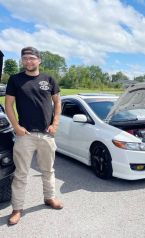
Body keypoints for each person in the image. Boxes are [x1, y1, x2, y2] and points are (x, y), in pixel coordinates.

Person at [5, 46, 63, 225]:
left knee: (48, 170)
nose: (28, 61)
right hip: (25, 135)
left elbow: (58, 103)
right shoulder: (15, 80)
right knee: (21, 174)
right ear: (22, 61)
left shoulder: (49, 79)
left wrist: (55, 124)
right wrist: (16, 126)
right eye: (25, 58)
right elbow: (9, 105)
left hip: (46, 134)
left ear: (39, 60)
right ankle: (17, 208)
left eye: (32, 58)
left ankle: (49, 197)